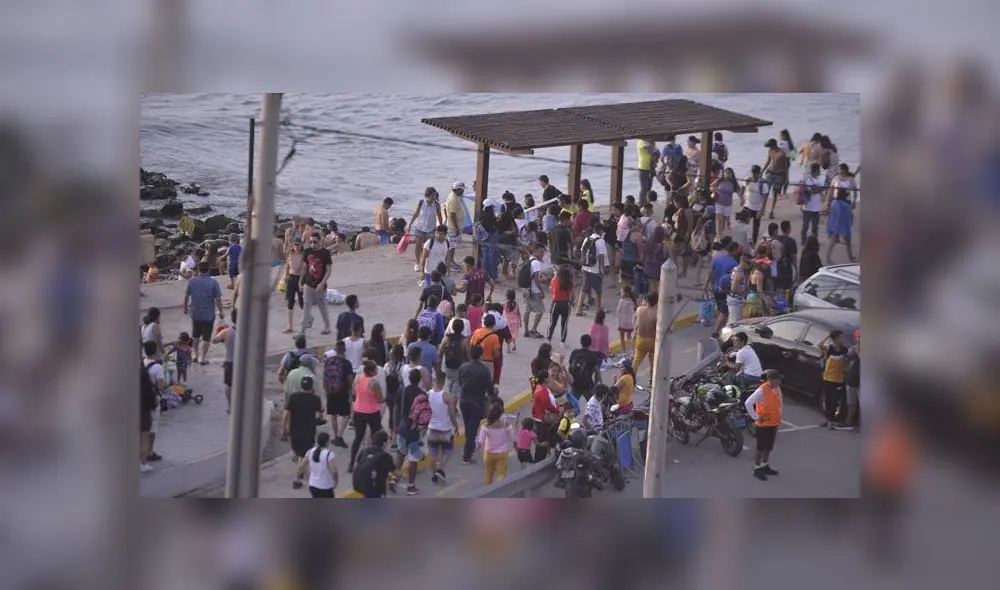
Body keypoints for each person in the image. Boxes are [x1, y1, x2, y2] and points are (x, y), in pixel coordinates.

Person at [457, 345, 497, 464]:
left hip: (463, 401)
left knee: (468, 426)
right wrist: (492, 397)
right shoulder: (484, 370)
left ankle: (469, 448)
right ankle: (467, 456)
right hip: (477, 402)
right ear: (481, 355)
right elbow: (490, 388)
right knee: (472, 430)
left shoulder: (463, 367)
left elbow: (460, 382)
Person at [283, 374, 324, 490]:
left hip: (294, 430)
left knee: (299, 454)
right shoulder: (315, 399)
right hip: (308, 431)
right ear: (311, 386)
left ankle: (301, 471)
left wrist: (283, 429)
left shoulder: (293, 397)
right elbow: (320, 415)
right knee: (304, 456)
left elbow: (286, 414)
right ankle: (296, 478)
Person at [744, 369, 784, 481]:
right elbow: (748, 403)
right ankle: (757, 469)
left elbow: (779, 402)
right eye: (776, 381)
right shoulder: (761, 391)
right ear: (770, 380)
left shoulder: (777, 388)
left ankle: (765, 465)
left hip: (773, 423)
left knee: (768, 447)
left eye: (779, 382)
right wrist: (756, 416)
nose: (778, 384)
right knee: (760, 447)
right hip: (763, 424)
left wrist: (779, 416)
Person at [392, 368, 427, 495]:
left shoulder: (403, 390)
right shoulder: (422, 394)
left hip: (402, 427)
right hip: (414, 430)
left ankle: (394, 479)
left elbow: (398, 410)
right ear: (419, 380)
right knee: (413, 459)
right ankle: (411, 486)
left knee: (400, 454)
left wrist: (395, 425)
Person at [183, 262, 225, 365]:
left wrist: (185, 308)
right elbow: (218, 299)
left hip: (195, 313)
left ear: (198, 270)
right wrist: (221, 311)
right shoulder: (213, 282)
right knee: (206, 337)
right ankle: (202, 358)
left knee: (195, 335)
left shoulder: (192, 282)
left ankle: (194, 355)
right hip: (208, 315)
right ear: (209, 270)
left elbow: (186, 296)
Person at [347, 359, 384, 473]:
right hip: (372, 412)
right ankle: (375, 461)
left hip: (358, 410)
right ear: (372, 371)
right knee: (376, 436)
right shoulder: (374, 383)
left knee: (358, 437)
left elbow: (354, 391)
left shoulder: (357, 378)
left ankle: (352, 462)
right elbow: (379, 399)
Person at [426, 370, 460, 484]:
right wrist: (456, 427)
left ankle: (434, 475)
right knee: (448, 451)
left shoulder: (427, 394)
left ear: (435, 380)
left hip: (431, 428)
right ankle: (440, 469)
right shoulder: (446, 396)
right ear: (444, 381)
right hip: (445, 430)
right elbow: (452, 414)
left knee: (433, 454)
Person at [322, 340, 355, 448]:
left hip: (331, 391)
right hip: (343, 391)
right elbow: (350, 379)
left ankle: (336, 435)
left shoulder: (328, 361)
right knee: (346, 415)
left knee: (333, 414)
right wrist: (351, 391)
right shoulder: (347, 363)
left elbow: (325, 376)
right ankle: (339, 437)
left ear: (335, 350)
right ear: (344, 350)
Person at [300, 232, 333, 336]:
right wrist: (300, 282)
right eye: (310, 242)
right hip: (308, 283)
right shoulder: (307, 251)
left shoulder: (325, 253)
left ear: (320, 241)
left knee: (322, 306)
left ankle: (327, 326)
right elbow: (304, 268)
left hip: (320, 285)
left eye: (315, 242)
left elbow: (328, 271)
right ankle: (302, 330)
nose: (312, 244)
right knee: (306, 306)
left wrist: (322, 283)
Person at [824, 163, 858, 264]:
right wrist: (827, 203)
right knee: (834, 234)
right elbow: (830, 191)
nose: (840, 171)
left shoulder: (850, 179)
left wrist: (854, 201)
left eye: (841, 170)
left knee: (847, 235)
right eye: (838, 170)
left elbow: (855, 190)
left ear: (845, 170)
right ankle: (828, 258)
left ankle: (851, 257)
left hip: (846, 206)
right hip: (836, 206)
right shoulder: (835, 178)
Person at [705, 242, 741, 338]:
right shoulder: (734, 263)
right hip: (725, 290)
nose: (738, 252)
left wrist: (705, 285)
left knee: (721, 309)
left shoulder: (718, 259)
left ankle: (721, 328)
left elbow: (710, 272)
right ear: (733, 250)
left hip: (715, 289)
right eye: (737, 250)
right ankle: (716, 332)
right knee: (724, 312)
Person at [476, 404, 516, 485]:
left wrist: (477, 450)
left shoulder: (485, 426)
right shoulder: (507, 425)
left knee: (488, 472)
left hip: (489, 453)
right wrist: (516, 445)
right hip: (502, 453)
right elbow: (513, 439)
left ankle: (489, 490)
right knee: (501, 474)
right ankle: (498, 489)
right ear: (500, 414)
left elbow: (480, 441)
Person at [407, 187, 445, 272]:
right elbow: (415, 214)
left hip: (431, 229)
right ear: (429, 195)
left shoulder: (436, 205)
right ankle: (417, 263)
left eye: (435, 195)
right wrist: (409, 225)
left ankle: (427, 263)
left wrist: (440, 226)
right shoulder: (421, 203)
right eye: (434, 195)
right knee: (418, 246)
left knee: (428, 247)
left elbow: (439, 216)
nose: (435, 196)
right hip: (419, 228)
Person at [818, 330, 850, 429]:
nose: (842, 339)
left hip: (838, 380)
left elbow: (847, 362)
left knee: (834, 401)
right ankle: (827, 420)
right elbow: (820, 344)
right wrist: (828, 336)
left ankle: (831, 420)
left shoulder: (844, 350)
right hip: (827, 378)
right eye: (840, 337)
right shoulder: (829, 349)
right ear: (835, 339)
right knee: (827, 400)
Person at [575, 221, 608, 316]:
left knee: (584, 288)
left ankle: (579, 309)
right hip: (595, 269)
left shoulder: (587, 238)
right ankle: (598, 310)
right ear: (601, 231)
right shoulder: (601, 241)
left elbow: (582, 251)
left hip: (585, 267)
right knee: (598, 290)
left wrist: (583, 263)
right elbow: (601, 256)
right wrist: (602, 269)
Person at [142, 341, 165, 467]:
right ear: (155, 351)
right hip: (153, 401)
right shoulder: (157, 368)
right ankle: (149, 452)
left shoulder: (140, 364)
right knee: (152, 428)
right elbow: (160, 386)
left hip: (140, 400)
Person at [352, 430, 395, 498]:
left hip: (364, 484)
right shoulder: (386, 456)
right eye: (387, 441)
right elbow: (395, 472)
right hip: (377, 487)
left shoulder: (364, 450)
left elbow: (356, 466)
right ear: (384, 443)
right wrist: (403, 477)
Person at [211, 309, 238, 413]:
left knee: (229, 385)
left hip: (229, 362)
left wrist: (220, 333)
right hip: (243, 362)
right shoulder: (248, 331)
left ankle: (230, 405)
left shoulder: (226, 332)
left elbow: (214, 340)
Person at [530, 369, 561, 460]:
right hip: (542, 419)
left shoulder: (541, 388)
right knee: (543, 441)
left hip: (540, 418)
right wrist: (557, 411)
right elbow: (548, 405)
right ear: (545, 379)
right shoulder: (542, 391)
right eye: (549, 376)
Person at [296, 431, 338, 498]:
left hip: (313, 485)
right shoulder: (329, 454)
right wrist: (335, 482)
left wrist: (297, 477)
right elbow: (334, 472)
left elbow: (301, 467)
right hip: (326, 486)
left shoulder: (310, 451)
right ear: (327, 442)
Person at [568, 334, 603, 408]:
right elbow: (597, 372)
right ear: (590, 344)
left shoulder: (574, 352)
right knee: (594, 406)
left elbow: (569, 367)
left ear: (581, 342)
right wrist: (597, 384)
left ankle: (567, 419)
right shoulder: (592, 356)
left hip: (575, 384)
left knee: (571, 406)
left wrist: (569, 381)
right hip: (587, 386)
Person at [520, 244, 547, 338]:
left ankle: (526, 331)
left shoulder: (529, 259)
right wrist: (542, 291)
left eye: (543, 252)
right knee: (540, 311)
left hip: (525, 289)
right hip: (533, 290)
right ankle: (534, 329)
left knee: (527, 310)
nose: (542, 254)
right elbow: (536, 279)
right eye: (540, 252)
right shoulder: (536, 263)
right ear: (535, 252)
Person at [281, 236, 306, 333]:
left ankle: (307, 318)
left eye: (298, 245)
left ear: (301, 245)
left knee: (301, 301)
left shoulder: (304, 254)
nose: (296, 246)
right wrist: (285, 277)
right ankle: (290, 326)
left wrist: (300, 283)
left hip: (300, 278)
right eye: (295, 244)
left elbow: (304, 270)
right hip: (291, 277)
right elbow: (287, 266)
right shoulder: (290, 253)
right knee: (290, 301)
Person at [632, 293, 658, 385]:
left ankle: (631, 379)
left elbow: (635, 321)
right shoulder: (656, 314)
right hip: (652, 340)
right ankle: (651, 380)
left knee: (636, 361)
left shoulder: (639, 310)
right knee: (653, 363)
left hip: (641, 339)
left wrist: (635, 332)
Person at [762, 139, 790, 219]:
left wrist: (786, 179)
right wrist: (762, 171)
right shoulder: (770, 150)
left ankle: (771, 210)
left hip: (779, 174)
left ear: (774, 145)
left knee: (775, 193)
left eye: (770, 146)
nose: (770, 148)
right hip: (770, 172)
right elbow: (768, 161)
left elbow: (786, 167)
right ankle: (763, 209)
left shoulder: (782, 153)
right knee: (766, 191)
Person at [547, 265, 574, 345]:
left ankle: (549, 338)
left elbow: (552, 291)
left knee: (552, 323)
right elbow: (573, 296)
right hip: (566, 304)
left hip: (556, 303)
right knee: (564, 324)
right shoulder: (571, 283)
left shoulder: (554, 281)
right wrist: (571, 302)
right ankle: (562, 341)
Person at [470, 313, 502, 381]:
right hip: (488, 363)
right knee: (487, 385)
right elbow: (496, 354)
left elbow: (471, 345)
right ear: (494, 324)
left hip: (476, 362)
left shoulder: (476, 332)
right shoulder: (494, 337)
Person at [383, 344, 406, 436]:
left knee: (391, 411)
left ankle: (391, 432)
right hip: (399, 392)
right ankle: (395, 435)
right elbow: (402, 379)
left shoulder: (387, 365)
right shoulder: (403, 366)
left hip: (389, 392)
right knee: (398, 415)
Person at [140, 360, 158, 473]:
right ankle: (143, 464)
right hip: (144, 415)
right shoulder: (147, 389)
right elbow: (154, 404)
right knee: (144, 439)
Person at [800, 163, 825, 245]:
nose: (820, 171)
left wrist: (820, 192)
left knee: (815, 227)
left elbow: (820, 191)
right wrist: (818, 190)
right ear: (816, 170)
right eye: (819, 170)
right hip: (807, 207)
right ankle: (803, 240)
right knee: (805, 226)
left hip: (816, 208)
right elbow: (809, 191)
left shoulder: (819, 180)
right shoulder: (808, 179)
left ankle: (814, 241)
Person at [741, 166, 766, 244]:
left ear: (759, 174)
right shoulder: (747, 180)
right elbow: (742, 187)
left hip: (757, 208)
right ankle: (743, 240)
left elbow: (765, 199)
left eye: (756, 174)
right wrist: (741, 198)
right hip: (748, 205)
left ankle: (753, 243)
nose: (754, 175)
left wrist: (761, 210)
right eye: (752, 173)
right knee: (744, 224)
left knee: (756, 228)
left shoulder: (762, 184)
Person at [710, 167, 739, 234]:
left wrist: (741, 198)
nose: (728, 174)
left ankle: (720, 233)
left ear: (732, 174)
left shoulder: (733, 182)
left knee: (723, 222)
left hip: (728, 205)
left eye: (730, 173)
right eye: (726, 173)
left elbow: (738, 190)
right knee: (718, 220)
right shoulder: (719, 180)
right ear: (723, 173)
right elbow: (711, 186)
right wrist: (714, 190)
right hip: (719, 203)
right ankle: (717, 235)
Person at [726, 254, 752, 325]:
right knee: (734, 323)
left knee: (733, 320)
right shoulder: (739, 273)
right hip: (735, 301)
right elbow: (733, 289)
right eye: (748, 263)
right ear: (742, 261)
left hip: (734, 299)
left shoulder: (735, 269)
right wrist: (744, 293)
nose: (750, 266)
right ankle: (727, 335)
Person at [844, 330, 861, 430]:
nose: (860, 339)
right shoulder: (853, 349)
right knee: (851, 403)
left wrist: (858, 351)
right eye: (858, 337)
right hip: (852, 379)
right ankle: (848, 423)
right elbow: (847, 358)